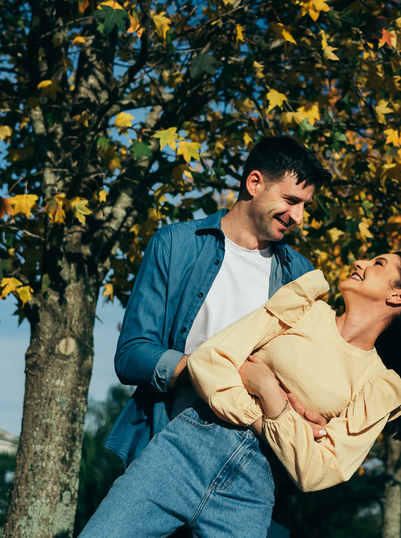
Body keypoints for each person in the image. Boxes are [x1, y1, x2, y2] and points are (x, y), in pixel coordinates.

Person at [80, 251, 401, 538]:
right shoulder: (302, 306)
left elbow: (318, 471)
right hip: (185, 449)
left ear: (398, 295)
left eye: (378, 264)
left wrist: (266, 389)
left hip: (253, 491)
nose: (361, 262)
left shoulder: (379, 385)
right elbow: (211, 360)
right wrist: (284, 422)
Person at [104, 136, 332, 535]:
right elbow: (133, 355)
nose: (298, 217)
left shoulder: (300, 275)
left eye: (304, 206)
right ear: (254, 183)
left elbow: (305, 379)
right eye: (291, 200)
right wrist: (215, 373)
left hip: (254, 463)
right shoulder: (175, 245)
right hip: (170, 443)